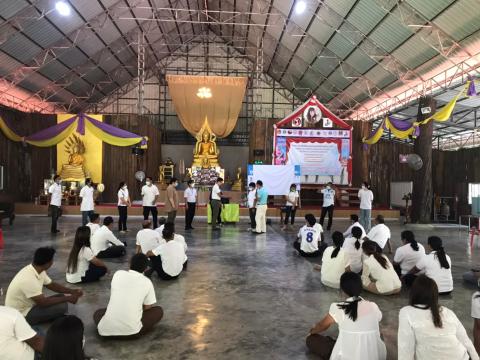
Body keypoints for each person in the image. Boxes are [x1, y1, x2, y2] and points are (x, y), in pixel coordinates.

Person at [306, 272, 387, 360]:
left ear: (343, 290)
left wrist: (312, 331)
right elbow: (379, 318)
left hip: (345, 356)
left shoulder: (338, 308)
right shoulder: (373, 306)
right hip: (375, 356)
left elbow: (322, 326)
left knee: (311, 340)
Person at [398, 275, 479, 360]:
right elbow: (465, 340)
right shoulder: (447, 311)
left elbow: (405, 349)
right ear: (435, 295)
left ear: (413, 293)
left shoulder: (406, 312)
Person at [5, 247, 83, 325]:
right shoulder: (28, 279)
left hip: (30, 305)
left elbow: (52, 285)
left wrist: (72, 291)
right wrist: (68, 298)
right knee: (61, 307)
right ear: (48, 263)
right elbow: (43, 303)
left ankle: (48, 315)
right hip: (21, 315)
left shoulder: (37, 269)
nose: (52, 262)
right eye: (52, 260)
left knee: (60, 296)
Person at [94, 254, 164, 338]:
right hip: (132, 333)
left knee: (98, 313)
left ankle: (112, 325)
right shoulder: (147, 282)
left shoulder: (118, 274)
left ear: (130, 264)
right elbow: (148, 307)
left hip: (105, 332)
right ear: (146, 269)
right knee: (158, 311)